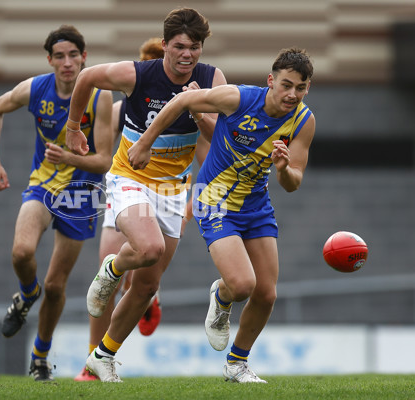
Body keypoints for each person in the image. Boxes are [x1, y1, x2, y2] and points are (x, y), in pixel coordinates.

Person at [128, 47, 316, 383]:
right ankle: (222, 295)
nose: (292, 95)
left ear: (307, 88)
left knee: (267, 293)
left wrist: (284, 168)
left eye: (300, 88)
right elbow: (183, 102)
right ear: (271, 81)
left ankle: (236, 365)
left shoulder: (303, 120)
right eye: (286, 85)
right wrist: (145, 142)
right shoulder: (239, 98)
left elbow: (293, 183)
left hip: (256, 205)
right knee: (243, 284)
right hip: (213, 199)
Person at [66, 7, 226, 382]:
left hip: (172, 190)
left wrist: (198, 107)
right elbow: (88, 76)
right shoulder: (136, 75)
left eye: (196, 47)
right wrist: (74, 127)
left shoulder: (210, 78)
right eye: (181, 47)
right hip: (130, 178)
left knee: (148, 285)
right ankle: (112, 269)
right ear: (167, 44)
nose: (188, 55)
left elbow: (217, 138)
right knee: (148, 249)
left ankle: (101, 358)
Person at [0, 25, 114, 381]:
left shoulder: (98, 95)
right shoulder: (36, 88)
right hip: (42, 185)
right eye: (60, 56)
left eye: (74, 55)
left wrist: (70, 159)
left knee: (57, 286)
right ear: (50, 60)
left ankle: (40, 357)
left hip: (81, 193)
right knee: (21, 252)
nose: (68, 62)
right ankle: (27, 294)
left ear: (84, 58)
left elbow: (103, 160)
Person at [74, 36, 166, 382]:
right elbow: (100, 158)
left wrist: (197, 197)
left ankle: (145, 296)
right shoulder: (119, 109)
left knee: (146, 273)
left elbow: (206, 148)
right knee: (107, 275)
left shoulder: (189, 100)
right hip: (126, 192)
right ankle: (91, 364)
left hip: (168, 192)